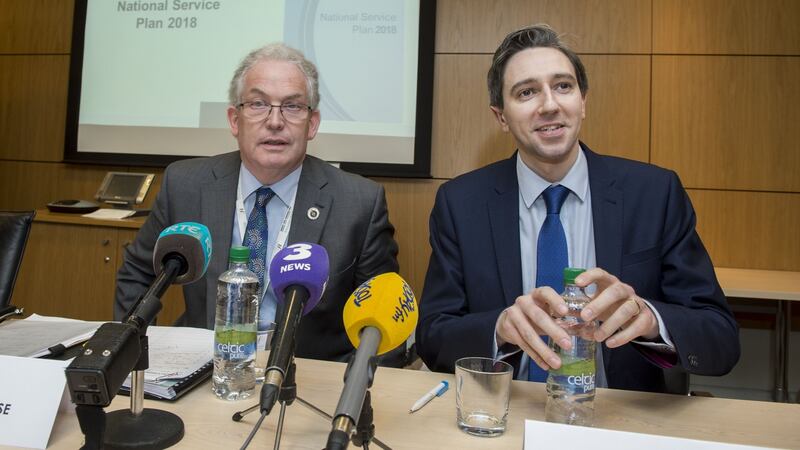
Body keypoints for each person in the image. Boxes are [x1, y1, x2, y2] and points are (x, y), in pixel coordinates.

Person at [415, 25, 739, 392]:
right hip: (507, 413)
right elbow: (432, 336)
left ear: (583, 101)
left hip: (619, 419)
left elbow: (721, 338)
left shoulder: (653, 194)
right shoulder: (461, 204)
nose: (549, 104)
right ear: (501, 117)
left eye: (563, 86)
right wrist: (498, 329)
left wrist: (650, 320)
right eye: (526, 92)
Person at [115, 43, 403, 365]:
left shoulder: (359, 203)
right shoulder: (185, 184)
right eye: (258, 103)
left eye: (293, 107)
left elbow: (383, 315)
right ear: (235, 120)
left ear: (312, 124)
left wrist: (346, 391)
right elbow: (138, 274)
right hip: (205, 370)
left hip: (305, 378)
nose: (275, 121)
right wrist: (137, 358)